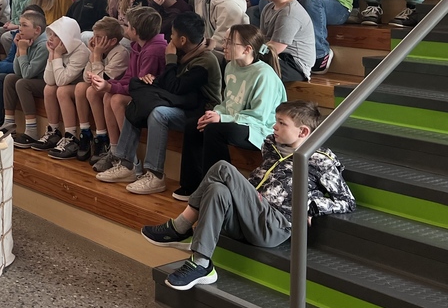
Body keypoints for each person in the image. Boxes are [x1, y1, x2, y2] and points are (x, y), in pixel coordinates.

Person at [141, 100, 355, 291]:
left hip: (273, 226)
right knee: (218, 190)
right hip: (248, 218)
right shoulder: (273, 145)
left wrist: (308, 204)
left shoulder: (320, 160)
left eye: (282, 123)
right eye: (276, 121)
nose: (275, 126)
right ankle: (201, 263)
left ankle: (180, 226)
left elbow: (346, 201)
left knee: (223, 167)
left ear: (303, 132)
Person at [97, 11, 222, 195]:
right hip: (182, 103)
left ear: (183, 40)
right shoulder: (184, 51)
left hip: (200, 112)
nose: (170, 38)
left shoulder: (205, 61)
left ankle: (155, 175)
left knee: (158, 114)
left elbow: (176, 87)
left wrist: (170, 58)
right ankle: (126, 163)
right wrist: (152, 78)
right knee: (138, 102)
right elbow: (169, 83)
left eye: (173, 34)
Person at [174, 24, 285, 200]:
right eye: (225, 41)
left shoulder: (264, 75)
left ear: (247, 49)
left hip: (260, 129)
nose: (224, 46)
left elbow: (258, 117)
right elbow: (228, 102)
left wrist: (221, 118)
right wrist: (214, 113)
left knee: (215, 130)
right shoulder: (231, 66)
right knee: (195, 124)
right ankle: (191, 186)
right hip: (236, 120)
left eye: (230, 43)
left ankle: (219, 190)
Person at [96, 7, 167, 168]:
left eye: (127, 26)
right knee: (108, 95)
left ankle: (130, 160)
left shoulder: (154, 51)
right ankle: (115, 151)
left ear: (135, 30)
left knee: (117, 99)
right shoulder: (137, 46)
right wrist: (110, 85)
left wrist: (110, 86)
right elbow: (130, 77)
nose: (125, 28)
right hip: (140, 92)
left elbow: (140, 87)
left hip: (154, 97)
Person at [35, 17, 94, 157]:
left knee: (61, 90)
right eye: (51, 34)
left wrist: (57, 56)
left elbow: (61, 81)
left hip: (82, 87)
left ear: (67, 37)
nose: (50, 38)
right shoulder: (56, 51)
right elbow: (49, 80)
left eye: (56, 35)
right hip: (68, 85)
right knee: (48, 89)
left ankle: (71, 137)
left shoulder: (81, 52)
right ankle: (54, 132)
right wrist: (52, 54)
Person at [74, 16, 130, 164]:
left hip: (115, 88)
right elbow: (87, 78)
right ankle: (86, 132)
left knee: (91, 91)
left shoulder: (120, 53)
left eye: (99, 37)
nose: (94, 40)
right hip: (103, 86)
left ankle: (102, 137)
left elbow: (101, 81)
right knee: (80, 88)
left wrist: (97, 56)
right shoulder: (98, 51)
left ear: (111, 41)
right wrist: (94, 54)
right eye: (94, 36)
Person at [259, 0, 315, 81]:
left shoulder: (289, 13)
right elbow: (262, 39)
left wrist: (248, 53)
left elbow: (275, 48)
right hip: (277, 58)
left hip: (294, 65)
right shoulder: (268, 8)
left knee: (253, 67)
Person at [0, 11, 50, 145]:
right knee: (10, 78)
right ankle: (8, 123)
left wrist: (22, 51)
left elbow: (27, 74)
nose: (19, 28)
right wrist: (18, 49)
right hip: (34, 78)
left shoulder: (44, 45)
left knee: (22, 83)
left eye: (24, 25)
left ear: (37, 30)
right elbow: (17, 71)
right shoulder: (27, 41)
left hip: (48, 83)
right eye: (20, 25)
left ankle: (31, 131)